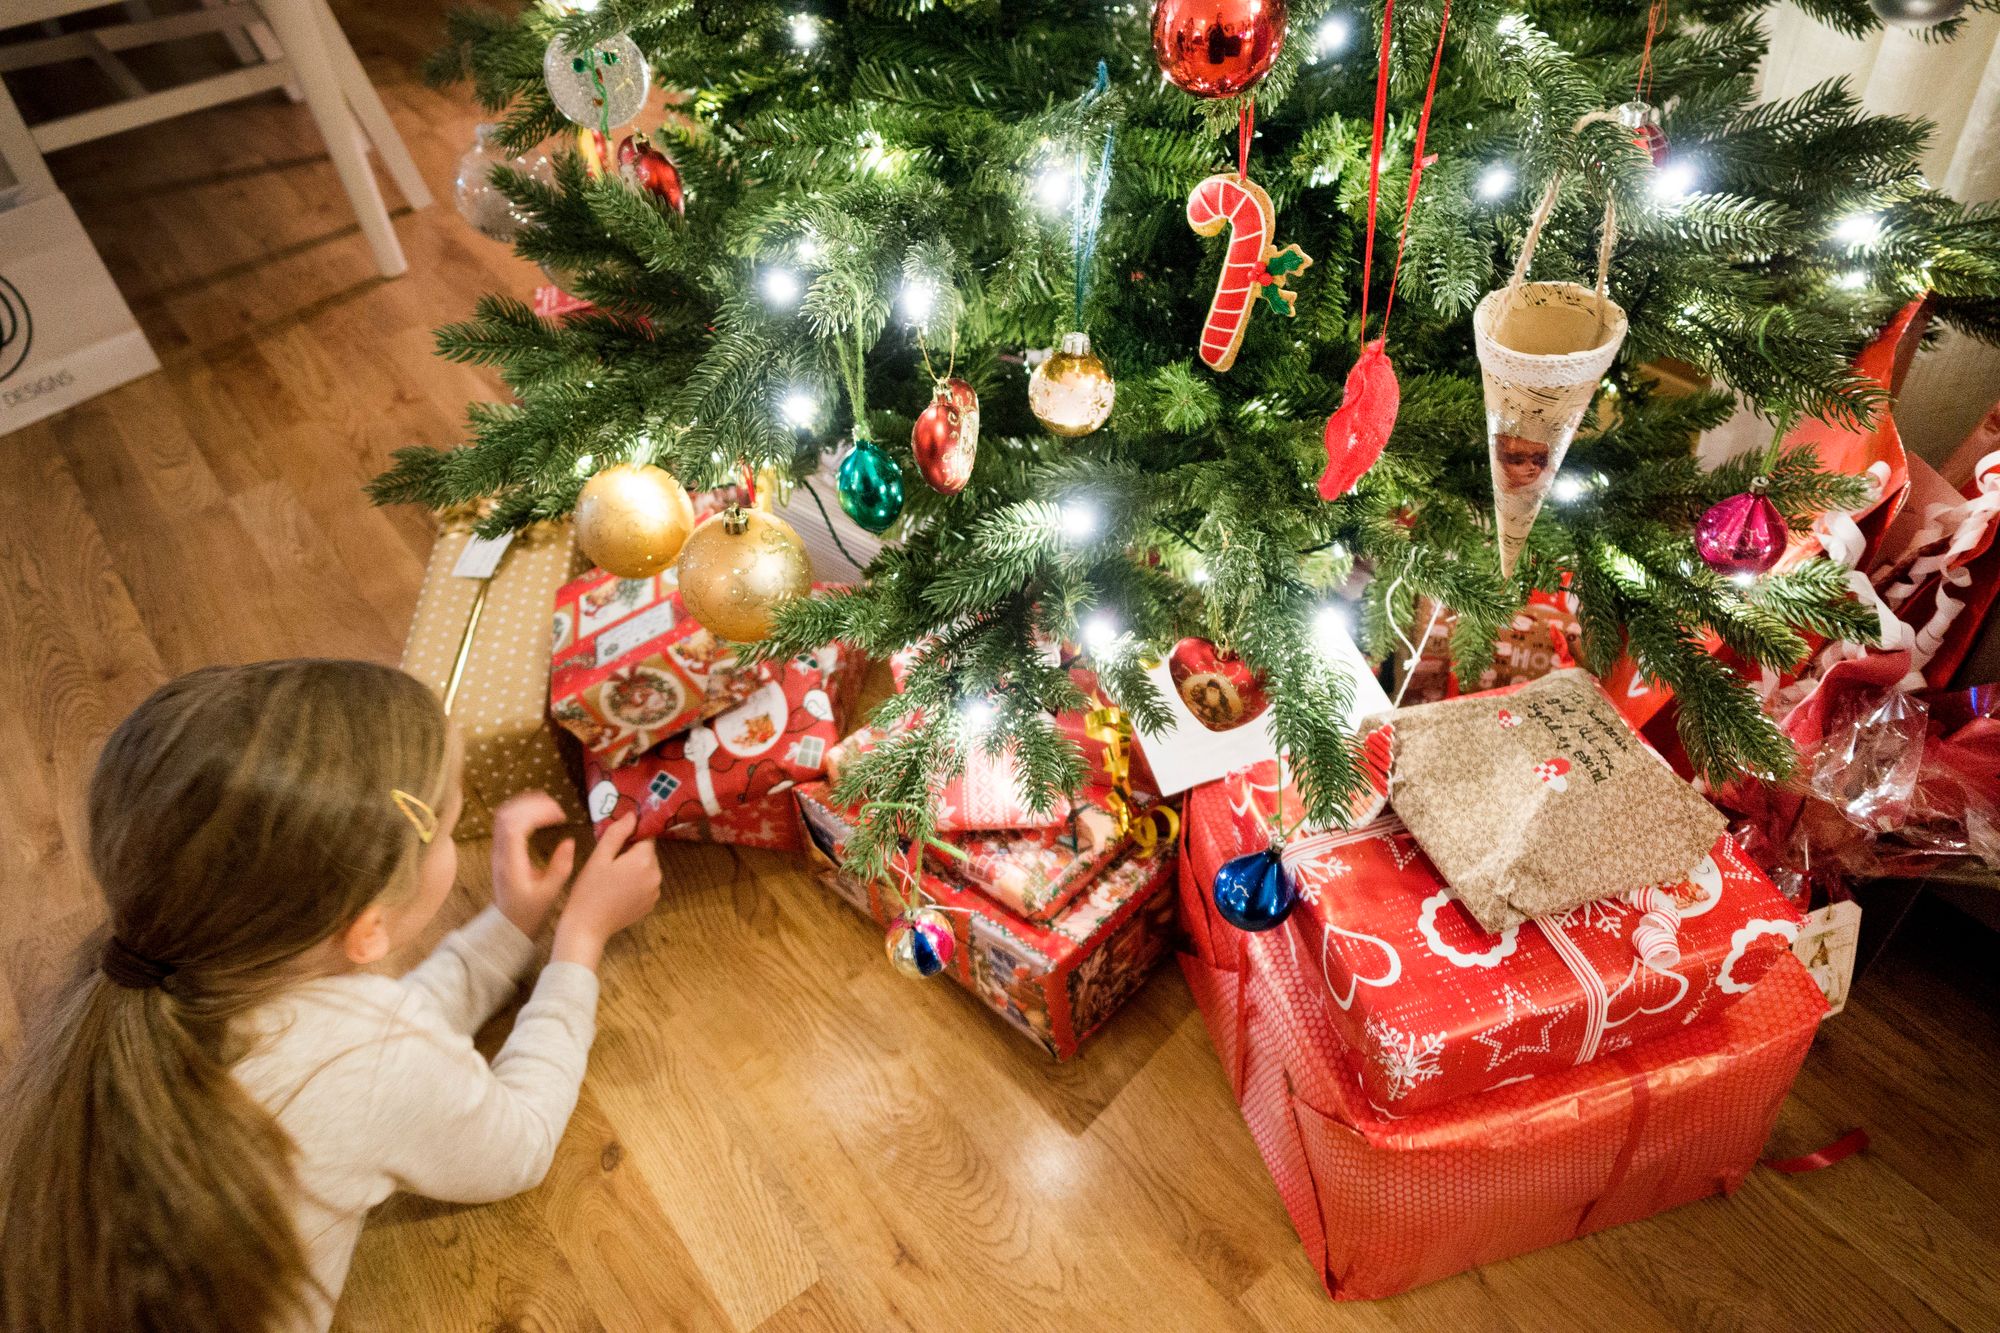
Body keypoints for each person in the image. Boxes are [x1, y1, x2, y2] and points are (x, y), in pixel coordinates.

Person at [0, 660, 662, 1333]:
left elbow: (363, 1040)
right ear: (367, 929)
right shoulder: (364, 1059)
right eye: (451, 822)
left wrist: (509, 927)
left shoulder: (143, 978)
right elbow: (519, 1143)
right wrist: (579, 941)